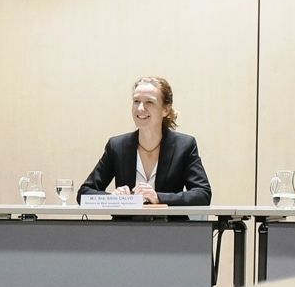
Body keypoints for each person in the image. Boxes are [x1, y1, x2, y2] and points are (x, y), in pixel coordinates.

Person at [78, 75, 213, 206]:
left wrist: (158, 197)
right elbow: (84, 193)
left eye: (149, 102)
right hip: (124, 228)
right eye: (136, 101)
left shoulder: (184, 146)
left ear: (165, 109)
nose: (140, 108)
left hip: (170, 227)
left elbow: (203, 194)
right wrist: (114, 199)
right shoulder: (117, 146)